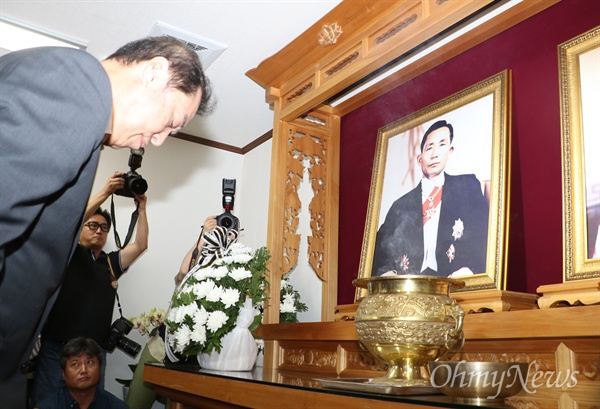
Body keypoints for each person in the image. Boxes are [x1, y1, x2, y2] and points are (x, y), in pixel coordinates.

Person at [0, 36, 212, 407]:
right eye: (171, 122)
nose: (160, 140)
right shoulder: (75, 87)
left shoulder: (86, 115)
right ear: (155, 73)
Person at [32, 173, 149, 404]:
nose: (99, 231)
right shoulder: (68, 252)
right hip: (58, 349)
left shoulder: (110, 262)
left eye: (104, 228)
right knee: (48, 403)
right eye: (92, 225)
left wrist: (142, 208)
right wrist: (106, 192)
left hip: (94, 352)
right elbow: (68, 224)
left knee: (90, 404)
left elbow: (141, 244)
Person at [372, 120, 489, 278]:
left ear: (450, 151)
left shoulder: (466, 186)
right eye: (429, 148)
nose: (434, 154)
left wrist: (471, 269)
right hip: (411, 287)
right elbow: (380, 250)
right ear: (420, 159)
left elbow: (484, 232)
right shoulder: (400, 205)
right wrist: (387, 273)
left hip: (454, 280)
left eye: (442, 145)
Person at [126, 216, 218, 409]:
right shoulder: (189, 276)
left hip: (190, 361)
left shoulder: (222, 288)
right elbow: (184, 271)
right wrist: (203, 236)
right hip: (160, 349)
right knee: (135, 403)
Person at [34, 337, 128, 409]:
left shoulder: (117, 407)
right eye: (75, 364)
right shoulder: (47, 407)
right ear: (63, 374)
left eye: (89, 362)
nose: (84, 370)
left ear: (99, 368)